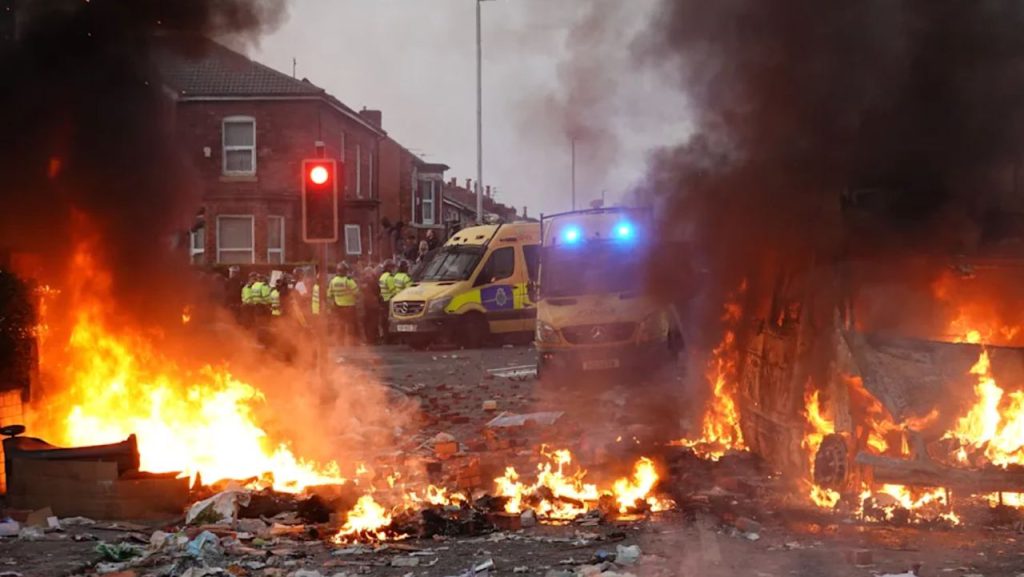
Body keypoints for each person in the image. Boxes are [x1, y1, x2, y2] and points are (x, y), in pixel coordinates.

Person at [328, 262, 360, 345]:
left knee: (340, 325)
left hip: (338, 306)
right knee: (352, 325)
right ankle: (353, 342)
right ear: (345, 271)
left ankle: (340, 342)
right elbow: (357, 293)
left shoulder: (333, 281)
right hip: (350, 306)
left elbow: (329, 294)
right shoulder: (348, 280)